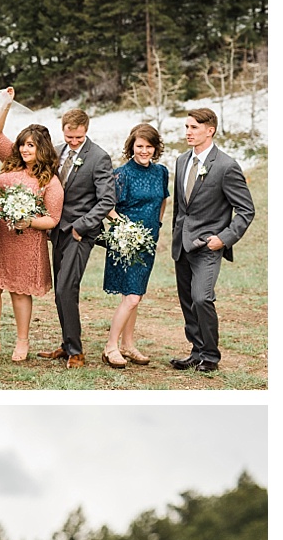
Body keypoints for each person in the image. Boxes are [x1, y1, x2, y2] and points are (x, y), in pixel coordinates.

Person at [168, 108, 255, 374]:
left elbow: (246, 210)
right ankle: (196, 351)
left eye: (194, 127)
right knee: (187, 300)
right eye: (186, 127)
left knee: (201, 298)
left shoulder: (226, 166)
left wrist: (224, 238)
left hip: (209, 245)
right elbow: (181, 208)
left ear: (210, 130)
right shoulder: (182, 161)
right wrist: (175, 236)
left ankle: (211, 356)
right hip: (182, 244)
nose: (188, 132)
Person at [0, 91, 63, 363]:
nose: (26, 150)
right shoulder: (10, 160)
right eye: (23, 145)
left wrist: (28, 221)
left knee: (19, 290)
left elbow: (53, 218)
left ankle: (22, 342)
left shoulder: (49, 180)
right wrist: (5, 105)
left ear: (43, 149)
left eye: (32, 146)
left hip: (25, 239)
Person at [36, 107, 115, 370]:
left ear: (86, 130)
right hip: (56, 230)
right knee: (61, 291)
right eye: (69, 137)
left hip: (81, 233)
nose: (73, 142)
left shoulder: (99, 158)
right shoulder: (56, 151)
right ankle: (67, 344)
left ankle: (77, 352)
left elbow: (106, 200)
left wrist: (82, 226)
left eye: (78, 138)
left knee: (66, 288)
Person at [100, 123, 169, 369]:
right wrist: (128, 229)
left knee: (135, 294)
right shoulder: (122, 174)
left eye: (149, 146)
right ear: (132, 146)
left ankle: (128, 345)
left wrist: (157, 225)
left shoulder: (161, 172)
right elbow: (107, 207)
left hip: (148, 241)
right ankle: (111, 347)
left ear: (155, 148)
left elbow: (162, 201)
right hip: (125, 242)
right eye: (140, 146)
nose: (144, 151)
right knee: (131, 296)